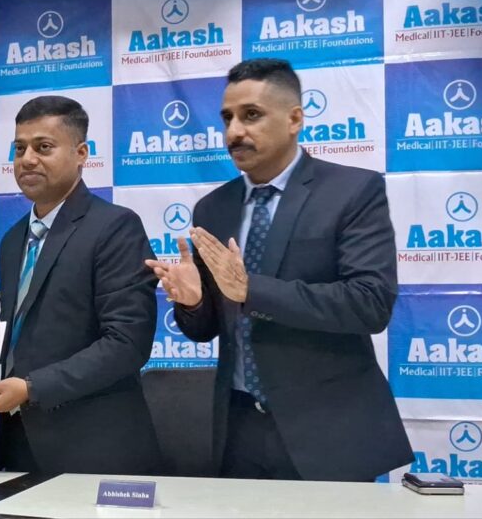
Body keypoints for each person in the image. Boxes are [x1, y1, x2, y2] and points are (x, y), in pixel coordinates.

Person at [147, 58, 413, 482]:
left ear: (294, 119)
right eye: (228, 118)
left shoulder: (352, 191)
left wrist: (251, 289)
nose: (234, 132)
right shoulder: (212, 208)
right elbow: (208, 328)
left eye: (251, 115)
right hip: (238, 429)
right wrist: (194, 302)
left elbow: (370, 304)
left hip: (327, 430)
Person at [0, 95, 161, 474]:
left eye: (43, 147)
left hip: (95, 449)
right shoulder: (13, 239)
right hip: (18, 445)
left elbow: (127, 344)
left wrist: (32, 388)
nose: (27, 159)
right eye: (20, 148)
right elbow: (20, 338)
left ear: (81, 154)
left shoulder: (115, 227)